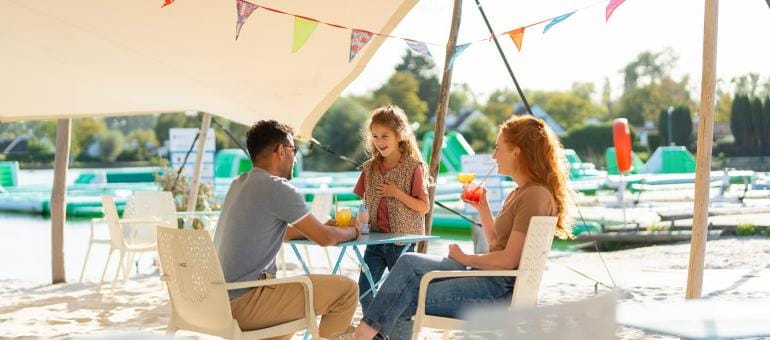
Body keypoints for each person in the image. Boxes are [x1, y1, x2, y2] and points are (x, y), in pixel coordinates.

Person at [354, 115, 573, 340]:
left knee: (404, 294)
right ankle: (370, 333)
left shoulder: (534, 195)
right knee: (409, 262)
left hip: (495, 292)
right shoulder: (522, 193)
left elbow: (508, 260)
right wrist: (483, 209)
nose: (494, 156)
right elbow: (497, 242)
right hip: (488, 280)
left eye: (498, 148)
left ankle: (365, 333)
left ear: (516, 152)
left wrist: (465, 258)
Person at [213, 120, 361, 339]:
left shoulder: (239, 184)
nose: (295, 157)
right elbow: (326, 239)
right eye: (294, 150)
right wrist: (354, 231)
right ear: (281, 151)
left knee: (286, 322)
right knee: (346, 290)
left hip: (216, 302)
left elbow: (270, 233)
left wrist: (318, 228)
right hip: (246, 302)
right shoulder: (277, 187)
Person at [352, 105, 429, 336]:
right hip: (375, 242)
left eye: (385, 136)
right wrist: (356, 221)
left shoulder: (413, 167)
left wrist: (397, 193)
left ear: (399, 135)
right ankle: (378, 335)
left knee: (398, 297)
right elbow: (362, 204)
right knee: (365, 289)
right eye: (375, 136)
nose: (379, 141)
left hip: (402, 242)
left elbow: (423, 206)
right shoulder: (369, 168)